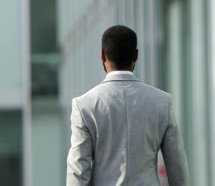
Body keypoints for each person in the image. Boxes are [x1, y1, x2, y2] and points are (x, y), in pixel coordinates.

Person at [66, 25, 189, 186]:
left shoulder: (84, 106)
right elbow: (177, 170)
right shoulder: (162, 102)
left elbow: (78, 174)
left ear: (103, 55)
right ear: (136, 55)